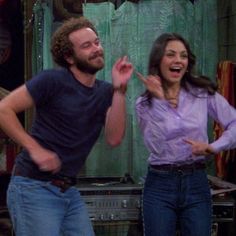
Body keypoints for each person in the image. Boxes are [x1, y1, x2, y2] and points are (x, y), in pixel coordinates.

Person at [0, 17, 133, 236]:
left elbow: (114, 138)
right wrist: (35, 149)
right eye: (87, 46)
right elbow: (4, 109)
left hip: (68, 189)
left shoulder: (105, 92)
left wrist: (119, 90)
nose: (96, 49)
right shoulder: (52, 81)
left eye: (97, 42)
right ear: (69, 57)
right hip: (33, 187)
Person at [135, 32, 236, 236]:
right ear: (158, 60)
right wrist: (161, 101)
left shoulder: (202, 93)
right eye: (171, 54)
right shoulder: (144, 104)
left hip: (196, 182)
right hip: (159, 184)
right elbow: (157, 145)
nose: (178, 60)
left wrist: (213, 147)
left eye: (183, 55)